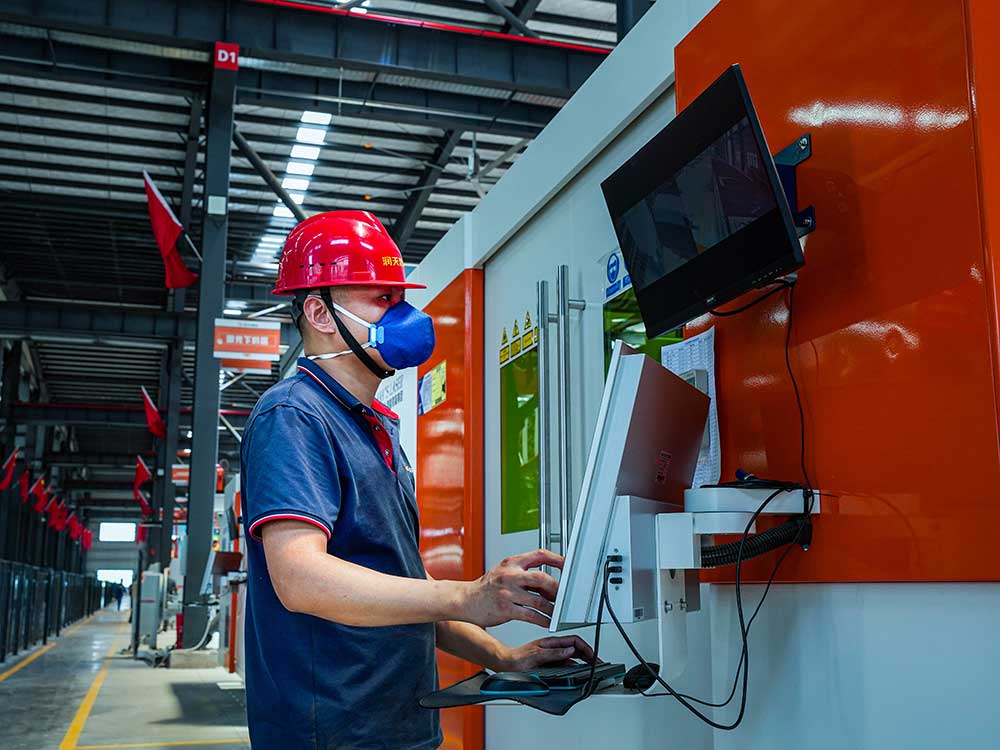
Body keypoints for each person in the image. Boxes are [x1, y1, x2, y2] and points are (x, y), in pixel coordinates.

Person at [242, 211, 591, 750]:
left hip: (402, 725)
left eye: (400, 297)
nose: (405, 315)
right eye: (383, 299)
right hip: (332, 732)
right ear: (320, 312)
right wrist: (466, 594)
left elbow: (407, 583)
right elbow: (300, 578)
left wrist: (503, 658)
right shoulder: (293, 415)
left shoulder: (376, 425)